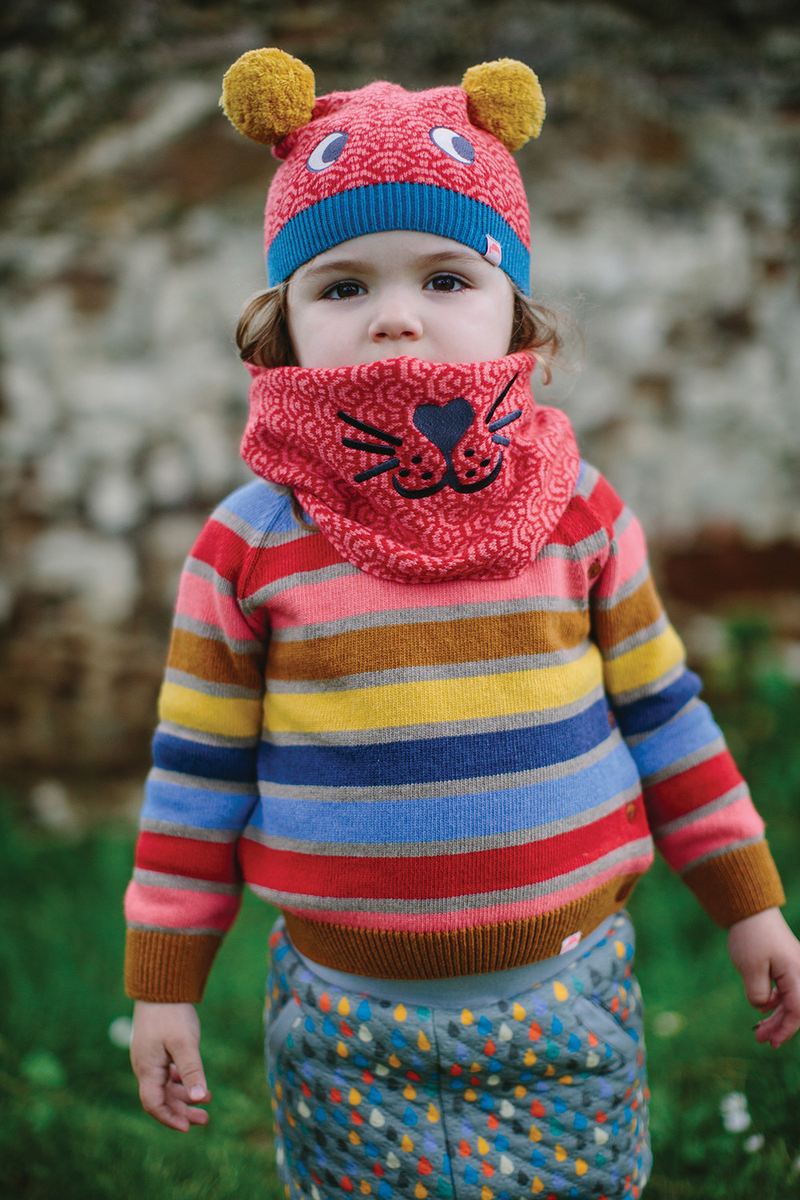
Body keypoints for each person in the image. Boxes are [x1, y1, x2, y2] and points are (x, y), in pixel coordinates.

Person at [125, 48, 800, 1199]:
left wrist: (749, 904)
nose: (396, 319)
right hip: (341, 1017)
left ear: (512, 313)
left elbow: (663, 714)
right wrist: (164, 982)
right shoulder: (246, 546)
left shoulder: (574, 512)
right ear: (280, 323)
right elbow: (198, 772)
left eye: (446, 278)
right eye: (342, 285)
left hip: (564, 996)